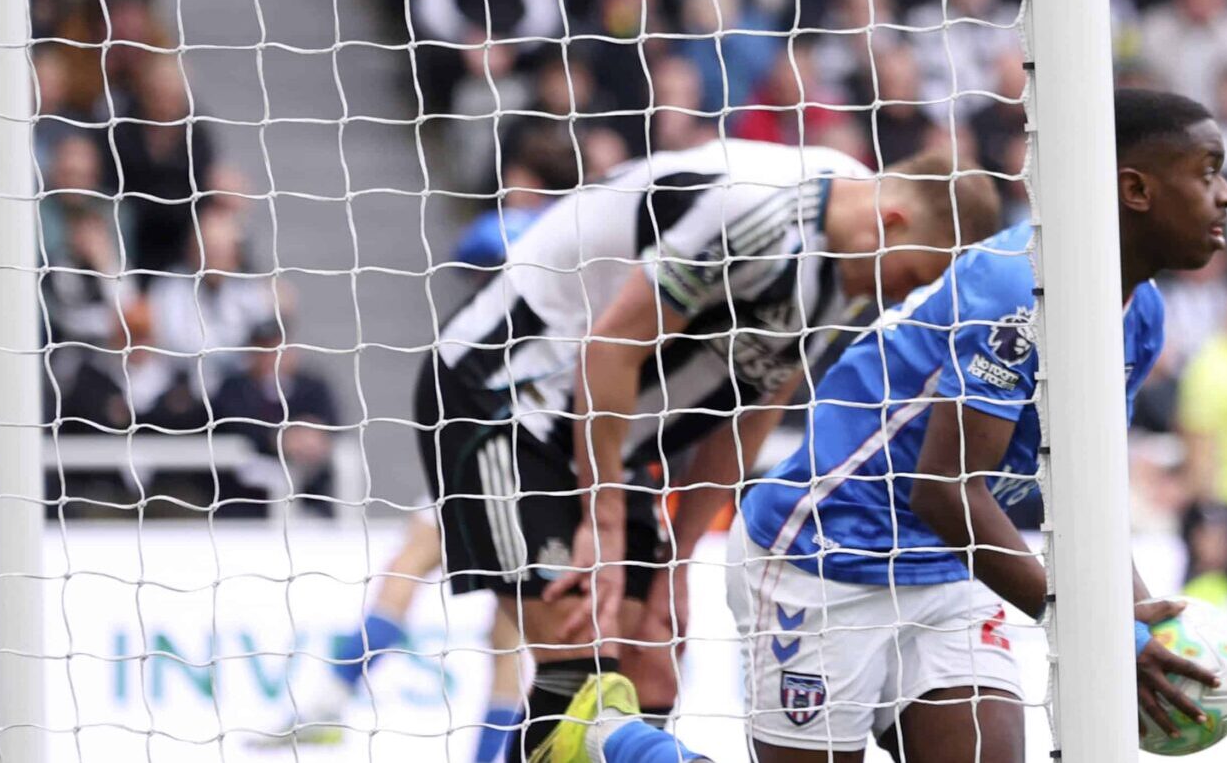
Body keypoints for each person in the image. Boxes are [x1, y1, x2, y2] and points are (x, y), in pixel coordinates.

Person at [584, 88, 1227, 763]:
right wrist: (1099, 632)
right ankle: (617, 745)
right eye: (1209, 171)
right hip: (824, 548)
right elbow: (943, 489)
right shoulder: (1016, 290)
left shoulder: (1142, 311)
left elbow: (1085, 486)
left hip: (946, 565)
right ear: (1135, 188)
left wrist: (1134, 619)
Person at [417, 139, 1000, 763]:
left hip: (613, 431)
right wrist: (604, 522)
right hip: (503, 400)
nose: (893, 297)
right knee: (581, 668)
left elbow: (758, 401)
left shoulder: (849, 244)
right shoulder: (760, 213)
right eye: (910, 277)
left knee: (651, 669)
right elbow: (609, 347)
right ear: (892, 223)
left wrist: (679, 558)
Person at [269, 513, 525, 761]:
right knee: (509, 637)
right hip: (533, 498)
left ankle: (327, 708)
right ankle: (486, 758)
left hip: (478, 480)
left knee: (407, 566)